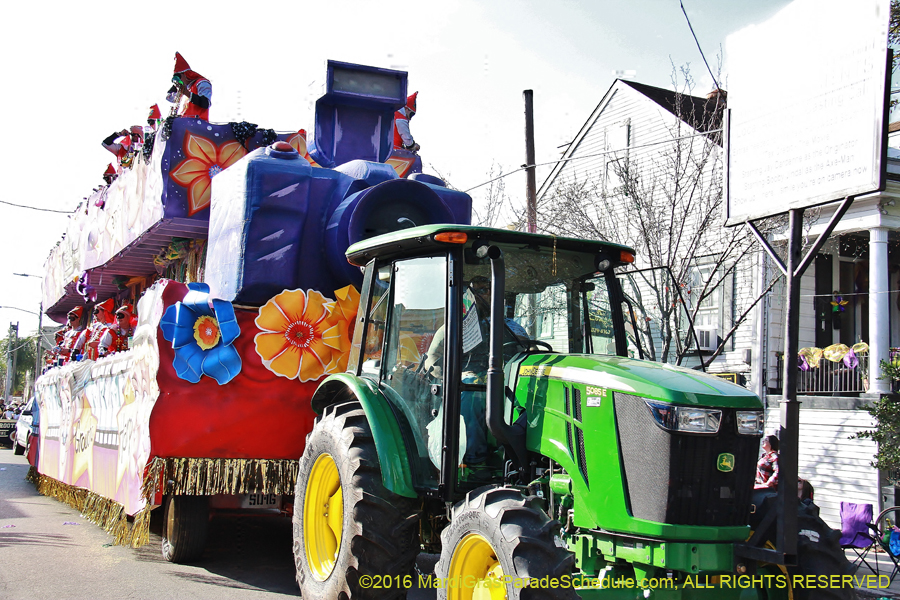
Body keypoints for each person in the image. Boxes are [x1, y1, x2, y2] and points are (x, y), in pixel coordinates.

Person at [166, 52, 212, 120]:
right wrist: (176, 86)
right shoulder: (187, 88)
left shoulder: (201, 83)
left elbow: (205, 103)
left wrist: (186, 92)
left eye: (179, 77)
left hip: (199, 124)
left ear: (185, 74)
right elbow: (170, 98)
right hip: (186, 124)